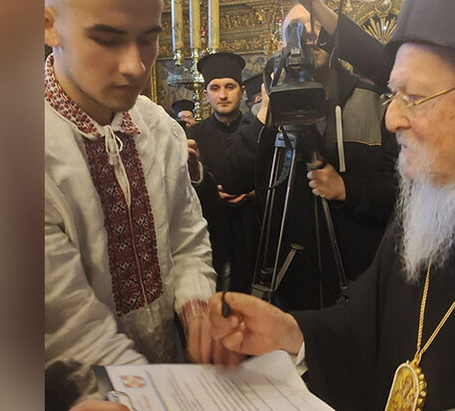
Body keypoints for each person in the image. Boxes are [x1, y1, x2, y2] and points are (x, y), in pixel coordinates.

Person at [210, 0, 455, 410]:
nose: (391, 120)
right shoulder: (426, 208)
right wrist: (292, 332)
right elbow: (365, 323)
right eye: (393, 96)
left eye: (416, 98)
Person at [44, 0, 237, 403]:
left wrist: (195, 305)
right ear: (49, 26)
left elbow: (187, 239)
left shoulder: (159, 128)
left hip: (169, 364)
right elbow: (70, 328)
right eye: (107, 39)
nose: (135, 66)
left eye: (148, 40)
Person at [220, 4, 399, 311]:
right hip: (291, 282)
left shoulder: (372, 102)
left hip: (361, 277)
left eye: (318, 29)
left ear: (334, 39)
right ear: (281, 46)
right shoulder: (265, 113)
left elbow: (402, 190)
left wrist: (346, 188)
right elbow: (231, 177)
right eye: (296, 31)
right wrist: (268, 108)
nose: (308, 39)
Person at [186, 52, 261, 295]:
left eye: (229, 87)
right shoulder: (193, 135)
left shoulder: (257, 130)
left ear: (241, 91)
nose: (223, 94)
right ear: (206, 94)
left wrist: (251, 193)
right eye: (215, 88)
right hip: (211, 230)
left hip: (254, 227)